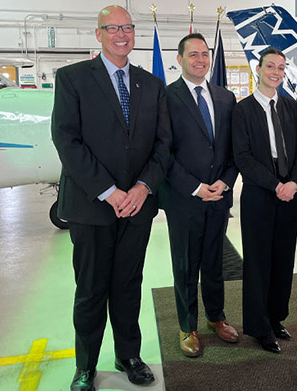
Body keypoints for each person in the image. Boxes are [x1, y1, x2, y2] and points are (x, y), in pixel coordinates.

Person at [51, 5, 170, 390]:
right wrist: (109, 191)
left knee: (127, 284)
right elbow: (66, 139)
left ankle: (128, 355)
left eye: (128, 27)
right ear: (98, 34)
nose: (122, 34)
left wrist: (141, 188)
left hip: (137, 206)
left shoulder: (151, 84)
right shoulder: (71, 79)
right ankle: (85, 366)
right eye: (113, 28)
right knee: (90, 289)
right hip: (91, 206)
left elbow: (163, 144)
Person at [158, 32, 239, 358]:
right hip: (184, 199)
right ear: (179, 60)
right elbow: (163, 152)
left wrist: (226, 181)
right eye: (193, 55)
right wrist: (195, 187)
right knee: (186, 265)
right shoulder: (166, 97)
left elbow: (234, 149)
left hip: (218, 196)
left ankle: (215, 317)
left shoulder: (225, 98)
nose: (201, 60)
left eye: (205, 54)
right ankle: (187, 325)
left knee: (214, 262)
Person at [232, 48, 297, 354]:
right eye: (271, 66)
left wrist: (294, 182)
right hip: (259, 193)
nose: (276, 71)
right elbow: (243, 157)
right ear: (258, 69)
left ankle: (276, 318)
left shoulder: (290, 107)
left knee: (283, 259)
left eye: (281, 67)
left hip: (289, 193)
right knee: (259, 262)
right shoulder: (243, 110)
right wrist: (275, 184)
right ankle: (259, 327)